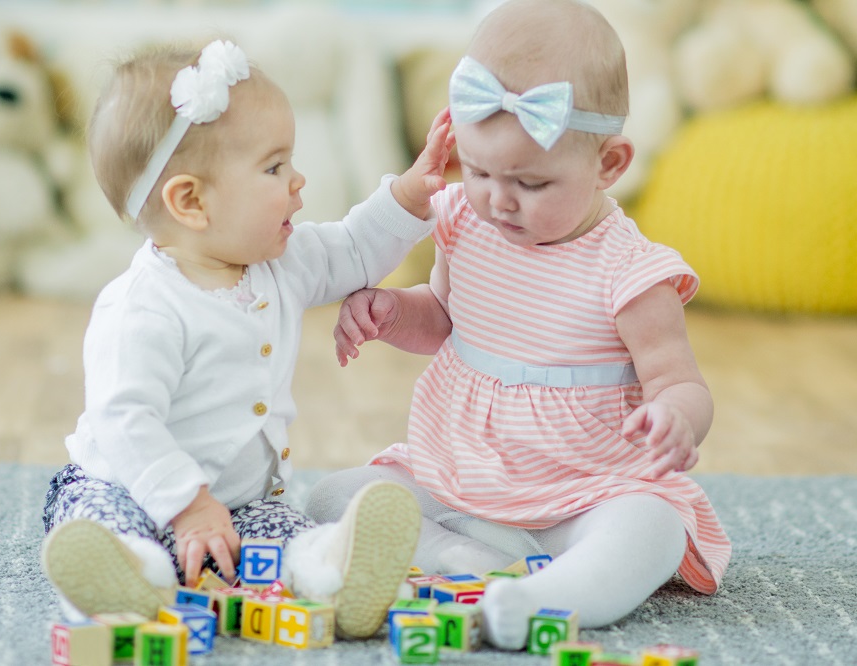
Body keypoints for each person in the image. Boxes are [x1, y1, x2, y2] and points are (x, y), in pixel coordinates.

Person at [305, 0, 732, 650]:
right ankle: (458, 559)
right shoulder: (466, 223)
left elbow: (683, 383)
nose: (497, 199)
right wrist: (393, 312)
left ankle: (545, 598)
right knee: (334, 497)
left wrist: (677, 417)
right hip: (464, 474)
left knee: (651, 528)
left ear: (609, 165)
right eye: (477, 171)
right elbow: (446, 320)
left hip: (585, 490)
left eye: (531, 182)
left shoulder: (632, 273)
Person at [40, 39, 454, 639]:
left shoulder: (280, 261)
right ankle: (130, 579)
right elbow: (124, 419)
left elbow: (355, 247)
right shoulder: (143, 309)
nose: (298, 180)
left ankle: (336, 571)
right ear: (191, 201)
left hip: (238, 506)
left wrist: (411, 194)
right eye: (274, 167)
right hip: (129, 487)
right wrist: (186, 504)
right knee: (103, 525)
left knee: (285, 539)